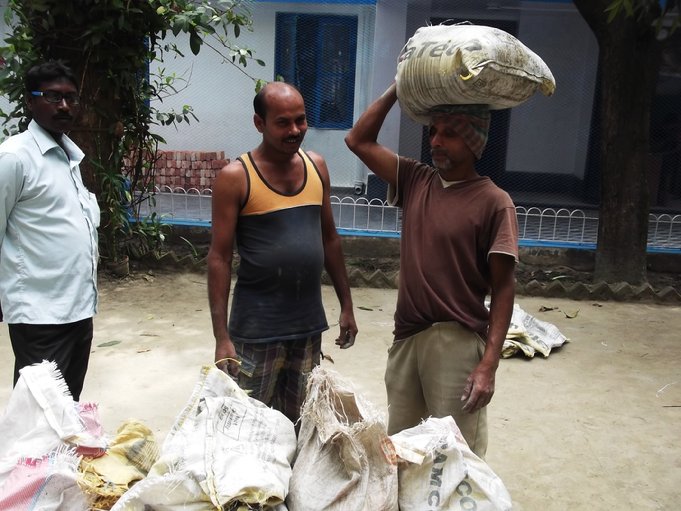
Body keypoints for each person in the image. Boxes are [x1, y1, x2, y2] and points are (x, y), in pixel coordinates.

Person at [345, 83, 518, 458]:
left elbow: (504, 288)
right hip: (407, 336)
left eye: (450, 134)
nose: (436, 141)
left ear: (473, 143)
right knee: (402, 451)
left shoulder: (495, 203)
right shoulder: (416, 179)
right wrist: (398, 87)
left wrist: (488, 364)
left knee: (455, 456)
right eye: (433, 132)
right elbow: (358, 140)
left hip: (457, 340)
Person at [207, 81, 358, 425]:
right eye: (283, 123)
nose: (295, 130)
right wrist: (221, 337)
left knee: (300, 423)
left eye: (300, 120)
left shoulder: (316, 166)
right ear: (259, 123)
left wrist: (346, 305)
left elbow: (330, 239)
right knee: (247, 425)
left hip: (307, 328)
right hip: (255, 331)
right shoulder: (236, 178)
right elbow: (219, 257)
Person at [0, 60, 99, 401]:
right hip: (39, 314)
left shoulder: (69, 158)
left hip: (79, 308)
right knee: (37, 411)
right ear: (30, 101)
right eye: (53, 97)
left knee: (67, 408)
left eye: (71, 98)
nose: (65, 107)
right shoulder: (14, 158)